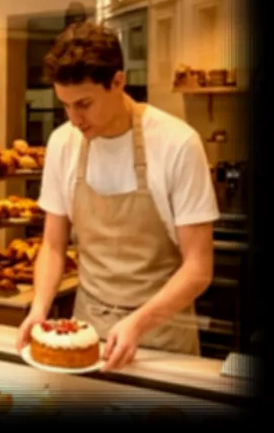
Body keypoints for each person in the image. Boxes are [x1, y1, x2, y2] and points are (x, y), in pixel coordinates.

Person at [17, 22, 218, 370]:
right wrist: (39, 308)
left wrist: (138, 322)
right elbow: (52, 246)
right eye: (65, 105)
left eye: (84, 104)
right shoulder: (63, 143)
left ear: (119, 82)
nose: (74, 118)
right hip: (84, 332)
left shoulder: (177, 143)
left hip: (162, 335)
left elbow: (198, 268)